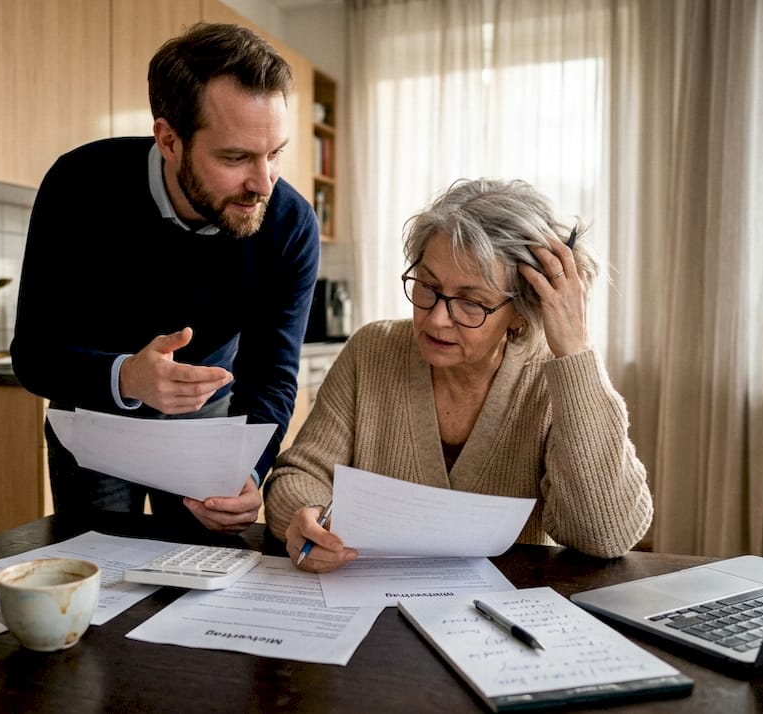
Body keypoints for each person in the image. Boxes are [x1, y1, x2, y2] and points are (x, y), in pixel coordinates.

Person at [11, 22, 320, 535]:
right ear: (169, 140)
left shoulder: (289, 225)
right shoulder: (78, 185)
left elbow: (272, 376)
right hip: (95, 420)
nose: (263, 183)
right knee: (98, 568)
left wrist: (249, 469)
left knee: (207, 571)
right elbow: (34, 355)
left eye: (274, 153)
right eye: (236, 157)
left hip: (209, 427)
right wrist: (126, 377)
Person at [264, 178, 652, 570]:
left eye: (471, 303)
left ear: (522, 312)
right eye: (427, 286)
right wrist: (307, 517)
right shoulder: (372, 351)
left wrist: (576, 351)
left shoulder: (555, 379)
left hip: (507, 602)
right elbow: (300, 474)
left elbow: (605, 533)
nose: (436, 319)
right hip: (368, 595)